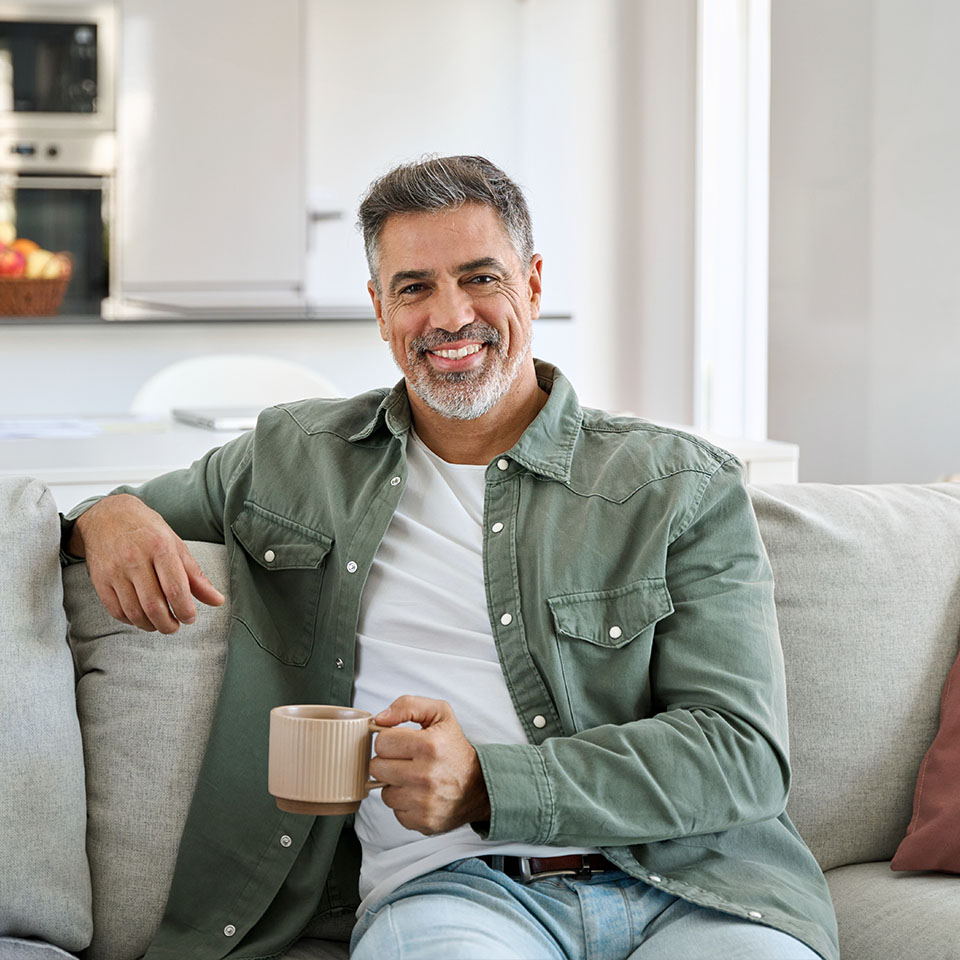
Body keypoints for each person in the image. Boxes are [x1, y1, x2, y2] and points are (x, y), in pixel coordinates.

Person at [62, 155, 838, 960]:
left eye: (480, 278)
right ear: (379, 307)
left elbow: (741, 753)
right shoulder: (294, 458)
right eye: (414, 287)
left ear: (533, 285)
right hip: (452, 895)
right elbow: (102, 512)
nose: (450, 316)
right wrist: (105, 516)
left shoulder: (679, 485)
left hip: (693, 888)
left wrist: (486, 784)